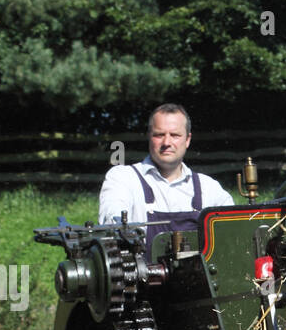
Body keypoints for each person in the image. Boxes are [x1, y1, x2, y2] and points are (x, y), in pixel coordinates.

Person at [98, 103, 234, 254]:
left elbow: (233, 235)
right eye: (159, 135)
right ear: (149, 137)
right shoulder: (123, 179)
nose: (166, 143)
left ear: (187, 140)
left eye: (175, 135)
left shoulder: (209, 188)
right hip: (141, 277)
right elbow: (112, 223)